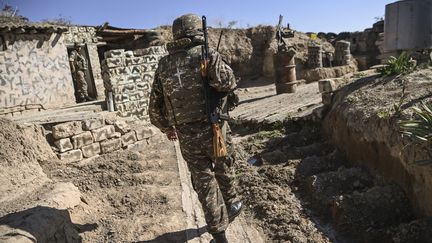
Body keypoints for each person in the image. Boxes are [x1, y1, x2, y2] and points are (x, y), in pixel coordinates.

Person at [149, 13, 242, 243]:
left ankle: (220, 236)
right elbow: (228, 84)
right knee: (224, 168)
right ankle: (232, 204)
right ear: (196, 32)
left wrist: (167, 127)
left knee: (203, 183)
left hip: (186, 136)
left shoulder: (163, 65)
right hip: (215, 129)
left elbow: (154, 108)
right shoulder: (206, 53)